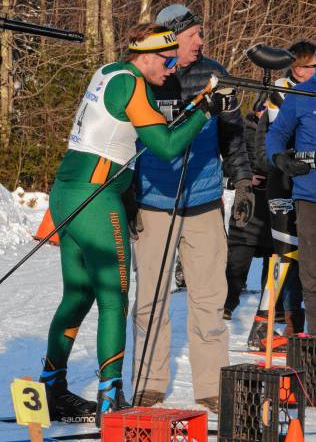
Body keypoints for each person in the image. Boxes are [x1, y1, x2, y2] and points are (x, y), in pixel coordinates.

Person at [38, 23, 216, 427]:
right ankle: (110, 397)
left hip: (69, 191)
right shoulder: (134, 84)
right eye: (167, 60)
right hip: (96, 198)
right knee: (114, 298)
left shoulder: (108, 72)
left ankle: (52, 386)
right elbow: (167, 146)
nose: (171, 69)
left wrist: (195, 106)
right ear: (147, 55)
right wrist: (205, 111)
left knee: (78, 296)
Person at [131, 5, 253, 413]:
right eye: (195, 34)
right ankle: (149, 381)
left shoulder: (216, 73)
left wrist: (240, 181)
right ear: (174, 36)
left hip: (202, 203)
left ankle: (212, 385)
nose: (201, 41)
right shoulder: (144, 78)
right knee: (150, 297)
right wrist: (126, 194)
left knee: (209, 297)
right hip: (153, 202)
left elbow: (233, 136)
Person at [248, 40, 316, 349]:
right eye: (299, 65)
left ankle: (291, 323)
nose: (302, 71)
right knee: (290, 255)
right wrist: (276, 159)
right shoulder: (287, 94)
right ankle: (280, 326)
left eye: (308, 65)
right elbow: (273, 134)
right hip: (292, 184)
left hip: (298, 184)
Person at [266, 43, 316, 335]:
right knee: (310, 274)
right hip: (309, 194)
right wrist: (278, 157)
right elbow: (276, 134)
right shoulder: (301, 95)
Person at [223, 104, 273, 321]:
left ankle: (268, 310)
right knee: (238, 260)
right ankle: (226, 304)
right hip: (249, 202)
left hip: (274, 204)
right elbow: (228, 162)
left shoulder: (282, 131)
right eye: (263, 109)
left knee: (274, 260)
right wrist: (244, 176)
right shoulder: (242, 130)